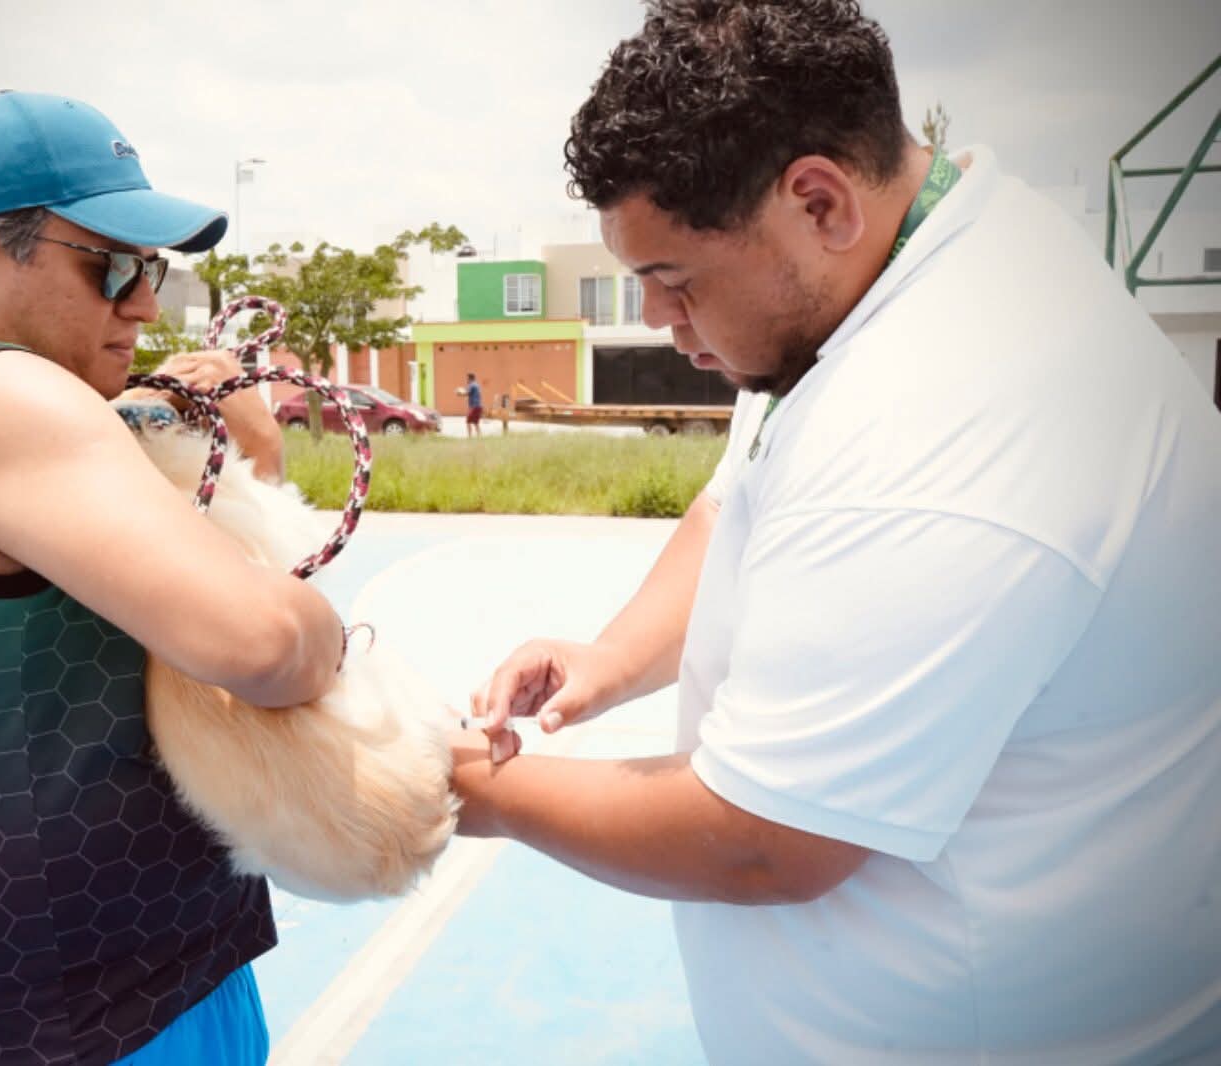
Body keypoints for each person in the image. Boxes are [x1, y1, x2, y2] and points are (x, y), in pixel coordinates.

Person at [451, 2, 1221, 1062]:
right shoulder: (873, 277)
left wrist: (466, 788)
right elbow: (740, 496)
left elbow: (764, 842)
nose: (663, 325)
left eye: (674, 281)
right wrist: (610, 659)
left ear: (819, 199)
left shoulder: (954, 410)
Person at [0, 90, 346, 1066]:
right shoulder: (5, 393)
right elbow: (265, 646)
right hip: (103, 1018)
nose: (145, 302)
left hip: (61, 994)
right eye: (108, 265)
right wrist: (321, 624)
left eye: (149, 268)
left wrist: (196, 439)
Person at [463, 371, 483, 437]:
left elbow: (467, 393)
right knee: (475, 422)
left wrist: (459, 392)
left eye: (467, 378)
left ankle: (470, 436)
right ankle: (479, 436)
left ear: (470, 378)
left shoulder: (472, 385)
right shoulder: (476, 385)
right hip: (478, 406)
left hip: (474, 406)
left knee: (468, 421)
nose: (467, 380)